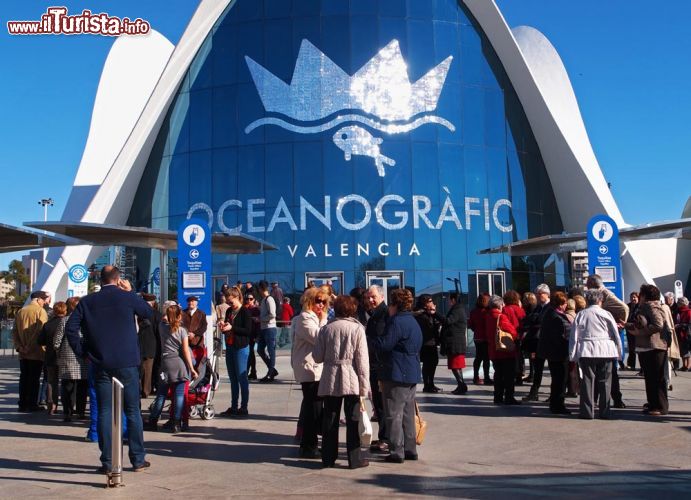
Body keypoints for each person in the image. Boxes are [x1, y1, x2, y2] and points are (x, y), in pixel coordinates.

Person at [65, 265, 153, 473]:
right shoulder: (127, 297)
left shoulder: (87, 302)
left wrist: (83, 351)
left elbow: (71, 329)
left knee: (104, 411)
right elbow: (148, 312)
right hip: (127, 362)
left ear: (101, 279)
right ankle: (137, 459)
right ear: (118, 278)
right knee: (132, 411)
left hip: (100, 362)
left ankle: (107, 461)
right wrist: (130, 292)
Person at [313, 295, 370, 469]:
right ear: (352, 309)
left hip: (330, 374)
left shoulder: (326, 329)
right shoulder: (357, 328)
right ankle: (354, 459)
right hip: (351, 375)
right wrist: (364, 386)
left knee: (330, 418)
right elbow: (362, 360)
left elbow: (317, 357)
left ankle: (328, 458)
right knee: (353, 419)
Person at [374, 288, 422, 464]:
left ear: (394, 304)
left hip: (396, 373)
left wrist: (372, 340)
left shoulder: (396, 322)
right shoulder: (412, 321)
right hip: (411, 372)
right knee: (408, 413)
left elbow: (385, 345)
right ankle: (410, 449)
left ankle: (396, 451)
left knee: (393, 414)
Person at [569, 289, 622, 419]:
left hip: (587, 350)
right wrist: (619, 352)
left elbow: (574, 335)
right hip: (605, 350)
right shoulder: (606, 314)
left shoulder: (581, 314)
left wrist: (572, 354)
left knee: (587, 381)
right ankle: (605, 411)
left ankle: (587, 411)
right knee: (605, 381)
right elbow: (615, 334)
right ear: (600, 300)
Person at [146, 305, 198, 433]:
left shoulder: (162, 327)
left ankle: (153, 421)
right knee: (179, 396)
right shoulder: (182, 331)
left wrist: (168, 314)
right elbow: (185, 350)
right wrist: (191, 368)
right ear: (180, 316)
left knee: (161, 395)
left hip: (165, 364)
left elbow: (164, 319)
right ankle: (176, 423)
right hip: (179, 364)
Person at [291, 287, 328, 458]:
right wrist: (324, 320)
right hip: (309, 368)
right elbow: (318, 338)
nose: (321, 305)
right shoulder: (304, 318)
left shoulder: (317, 317)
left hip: (316, 368)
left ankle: (310, 442)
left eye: (324, 301)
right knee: (312, 407)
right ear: (309, 301)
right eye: (317, 301)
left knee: (314, 406)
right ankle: (308, 445)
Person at [585, 275, 628, 408]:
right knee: (600, 372)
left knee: (609, 371)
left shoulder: (605, 294)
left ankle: (615, 399)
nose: (586, 285)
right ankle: (597, 400)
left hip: (606, 339)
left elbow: (624, 308)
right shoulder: (597, 294)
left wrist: (620, 324)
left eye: (587, 283)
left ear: (593, 283)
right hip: (599, 338)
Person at [629, 284, 669, 416]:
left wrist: (640, 332)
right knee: (651, 378)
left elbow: (658, 324)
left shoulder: (651, 306)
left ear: (645, 296)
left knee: (656, 378)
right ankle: (653, 403)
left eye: (641, 294)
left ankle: (660, 406)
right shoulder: (645, 307)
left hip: (654, 347)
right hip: (649, 347)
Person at [219, 287, 253, 416]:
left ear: (238, 298)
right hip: (230, 346)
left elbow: (248, 331)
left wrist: (232, 327)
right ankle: (234, 406)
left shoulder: (245, 311)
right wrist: (224, 325)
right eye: (228, 301)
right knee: (233, 378)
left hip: (241, 347)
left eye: (231, 301)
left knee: (241, 377)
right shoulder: (229, 310)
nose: (230, 304)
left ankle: (243, 407)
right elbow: (229, 326)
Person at [12, 290, 49, 412]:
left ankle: (22, 403)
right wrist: (29, 346)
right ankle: (32, 404)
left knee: (24, 378)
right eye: (43, 299)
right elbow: (40, 331)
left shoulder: (21, 311)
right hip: (36, 352)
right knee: (34, 379)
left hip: (23, 353)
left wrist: (20, 347)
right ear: (38, 300)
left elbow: (15, 332)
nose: (44, 302)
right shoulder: (40, 311)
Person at [53, 297, 88, 422]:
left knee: (67, 387)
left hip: (67, 358)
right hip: (83, 358)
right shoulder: (86, 320)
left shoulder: (64, 320)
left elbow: (57, 341)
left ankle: (67, 412)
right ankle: (81, 411)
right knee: (82, 387)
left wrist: (59, 353)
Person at [537, 292, 572, 415]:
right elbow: (559, 336)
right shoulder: (555, 316)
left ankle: (556, 403)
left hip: (554, 352)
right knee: (560, 380)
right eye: (565, 303)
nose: (566, 305)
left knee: (558, 379)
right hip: (558, 353)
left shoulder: (552, 313)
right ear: (560, 304)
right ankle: (558, 405)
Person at [364, 284, 388, 453]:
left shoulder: (383, 315)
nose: (370, 300)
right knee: (378, 404)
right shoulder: (375, 314)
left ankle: (386, 438)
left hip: (380, 366)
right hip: (375, 364)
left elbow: (380, 341)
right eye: (368, 297)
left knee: (382, 403)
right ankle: (384, 436)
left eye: (373, 297)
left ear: (382, 297)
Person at [486, 295, 520, 405]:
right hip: (505, 351)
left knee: (498, 374)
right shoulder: (501, 317)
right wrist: (516, 337)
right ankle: (509, 397)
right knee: (509, 376)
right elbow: (512, 331)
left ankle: (498, 397)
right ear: (500, 305)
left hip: (493, 350)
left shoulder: (488, 316)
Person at [523, 284, 551, 401]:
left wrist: (535, 320)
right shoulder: (538, 307)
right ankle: (533, 393)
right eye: (537, 294)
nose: (539, 296)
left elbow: (539, 320)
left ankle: (553, 395)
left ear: (547, 294)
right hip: (537, 342)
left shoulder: (550, 307)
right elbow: (530, 319)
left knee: (552, 370)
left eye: (541, 294)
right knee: (537, 368)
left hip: (548, 341)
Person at [38, 301, 66, 415]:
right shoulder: (67, 323)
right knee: (65, 382)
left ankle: (51, 404)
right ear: (65, 310)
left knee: (51, 381)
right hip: (64, 356)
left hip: (50, 356)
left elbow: (40, 341)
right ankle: (67, 405)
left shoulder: (48, 324)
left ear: (54, 311)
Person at [414, 294, 444, 393]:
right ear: (424, 302)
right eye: (429, 301)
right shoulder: (420, 313)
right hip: (426, 343)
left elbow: (440, 322)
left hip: (432, 342)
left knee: (433, 363)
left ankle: (430, 383)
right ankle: (428, 385)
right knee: (428, 364)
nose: (431, 303)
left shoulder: (429, 312)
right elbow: (428, 325)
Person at [443, 292, 468, 395]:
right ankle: (461, 385)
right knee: (457, 366)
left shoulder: (457, 310)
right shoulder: (459, 308)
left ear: (453, 299)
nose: (449, 301)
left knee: (455, 366)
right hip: (456, 342)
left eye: (449, 299)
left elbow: (448, 321)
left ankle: (462, 385)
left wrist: (435, 314)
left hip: (455, 342)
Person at [138, 293, 160, 398]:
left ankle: (142, 390)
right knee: (147, 370)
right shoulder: (156, 314)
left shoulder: (138, 314)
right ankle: (145, 391)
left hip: (141, 346)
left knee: (142, 370)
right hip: (149, 346)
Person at [257, 280, 279, 382]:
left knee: (271, 351)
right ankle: (272, 369)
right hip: (263, 328)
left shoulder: (269, 299)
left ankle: (271, 372)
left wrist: (261, 319)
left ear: (261, 289)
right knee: (260, 350)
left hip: (270, 328)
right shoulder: (263, 300)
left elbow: (272, 315)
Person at [502, 290, 526, 386]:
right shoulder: (520, 309)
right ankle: (519, 376)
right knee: (519, 356)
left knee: (509, 357)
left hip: (508, 336)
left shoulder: (505, 309)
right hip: (518, 335)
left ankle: (511, 375)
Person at [468, 294, 491, 385]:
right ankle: (486, 377)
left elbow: (470, 324)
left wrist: (476, 329)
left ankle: (475, 377)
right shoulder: (487, 311)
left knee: (478, 357)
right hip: (486, 337)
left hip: (477, 337)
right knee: (486, 358)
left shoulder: (473, 311)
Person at [244, 293, 260, 380]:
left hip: (252, 334)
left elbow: (258, 323)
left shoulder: (256, 309)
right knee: (250, 353)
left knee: (250, 352)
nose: (248, 300)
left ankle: (249, 371)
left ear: (253, 299)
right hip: (247, 334)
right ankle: (252, 372)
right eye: (247, 299)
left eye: (250, 299)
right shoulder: (245, 309)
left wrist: (257, 335)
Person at [625, 292, 640, 370]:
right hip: (629, 329)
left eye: (634, 297)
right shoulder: (628, 306)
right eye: (632, 297)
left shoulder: (640, 306)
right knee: (631, 348)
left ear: (638, 298)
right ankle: (631, 364)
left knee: (639, 348)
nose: (633, 299)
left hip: (637, 329)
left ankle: (642, 367)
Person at [675, 297, 691, 371]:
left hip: (686, 334)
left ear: (683, 303)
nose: (677, 303)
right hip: (679, 333)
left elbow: (689, 324)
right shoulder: (679, 311)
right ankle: (684, 365)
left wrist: (681, 325)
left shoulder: (688, 311)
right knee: (682, 350)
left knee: (686, 351)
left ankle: (688, 365)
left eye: (679, 302)